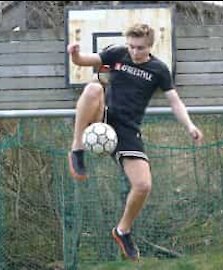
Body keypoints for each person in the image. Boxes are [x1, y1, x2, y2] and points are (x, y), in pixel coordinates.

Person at [67, 23, 204, 261]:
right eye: (131, 46)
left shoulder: (159, 69)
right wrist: (74, 53)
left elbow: (175, 102)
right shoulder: (117, 54)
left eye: (140, 48)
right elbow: (82, 61)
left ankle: (123, 230)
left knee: (143, 186)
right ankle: (77, 149)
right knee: (92, 89)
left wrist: (190, 125)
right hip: (105, 117)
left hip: (128, 130)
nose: (134, 51)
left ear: (150, 46)